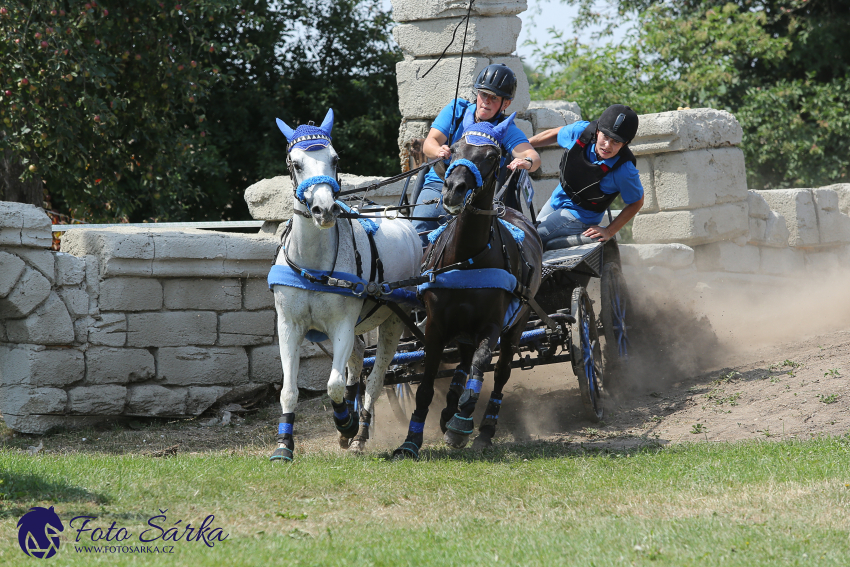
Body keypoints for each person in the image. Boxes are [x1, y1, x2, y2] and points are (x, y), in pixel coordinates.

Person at [411, 63, 541, 246]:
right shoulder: (456, 110)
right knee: (418, 230)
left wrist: (526, 162)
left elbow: (532, 156)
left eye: (494, 98)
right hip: (440, 184)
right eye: (483, 94)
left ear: (506, 103)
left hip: (477, 196)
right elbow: (429, 144)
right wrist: (438, 150)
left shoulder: (506, 129)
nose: (486, 101)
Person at [528, 104, 644, 246]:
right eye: (605, 137)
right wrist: (524, 147)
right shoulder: (582, 132)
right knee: (530, 232)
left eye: (616, 142)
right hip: (558, 197)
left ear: (625, 143)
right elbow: (554, 133)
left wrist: (609, 231)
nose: (607, 145)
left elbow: (636, 202)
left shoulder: (624, 170)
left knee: (531, 237)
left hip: (581, 215)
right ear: (597, 131)